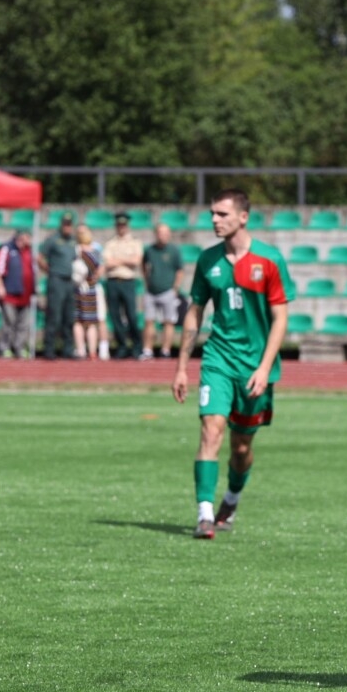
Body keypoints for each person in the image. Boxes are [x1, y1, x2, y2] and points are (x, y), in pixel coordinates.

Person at [171, 189, 295, 539]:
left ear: (243, 217)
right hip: (218, 359)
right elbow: (195, 313)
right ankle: (204, 514)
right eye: (212, 213)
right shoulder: (207, 260)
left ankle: (231, 498)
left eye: (222, 214)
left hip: (256, 367)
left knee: (241, 449)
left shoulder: (269, 260)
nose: (214, 220)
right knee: (211, 429)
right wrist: (182, 365)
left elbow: (281, 319)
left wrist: (264, 366)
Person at [102, 211, 144, 359]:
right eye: (119, 225)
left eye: (123, 225)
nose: (121, 227)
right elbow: (107, 263)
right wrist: (125, 259)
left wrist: (117, 260)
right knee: (115, 316)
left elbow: (136, 261)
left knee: (131, 315)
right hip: (113, 282)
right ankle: (122, 346)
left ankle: (137, 346)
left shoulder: (135, 242)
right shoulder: (110, 243)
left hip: (128, 282)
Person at [36, 213, 78, 359]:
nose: (68, 227)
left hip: (69, 281)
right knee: (54, 316)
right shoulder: (53, 240)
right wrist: (49, 270)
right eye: (65, 224)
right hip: (56, 280)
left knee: (69, 317)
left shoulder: (73, 241)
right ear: (61, 224)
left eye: (70, 224)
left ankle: (68, 349)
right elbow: (40, 257)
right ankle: (49, 349)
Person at [142, 222, 184, 359]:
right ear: (156, 234)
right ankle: (148, 350)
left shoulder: (174, 250)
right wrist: (147, 281)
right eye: (161, 233)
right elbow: (143, 265)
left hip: (168, 291)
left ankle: (165, 350)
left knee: (168, 322)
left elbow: (180, 270)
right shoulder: (149, 250)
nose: (163, 236)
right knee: (149, 321)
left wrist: (175, 288)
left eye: (166, 233)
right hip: (151, 291)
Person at [0, 230, 34, 358]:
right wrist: (0, 287)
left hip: (25, 295)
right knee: (9, 322)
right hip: (10, 294)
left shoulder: (29, 251)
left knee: (23, 324)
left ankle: (19, 348)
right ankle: (5, 347)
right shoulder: (7, 249)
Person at [72, 226, 103, 360]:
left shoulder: (76, 251)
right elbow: (100, 269)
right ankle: (92, 351)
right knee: (91, 322)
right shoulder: (96, 252)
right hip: (91, 288)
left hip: (80, 288)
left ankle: (81, 350)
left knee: (79, 321)